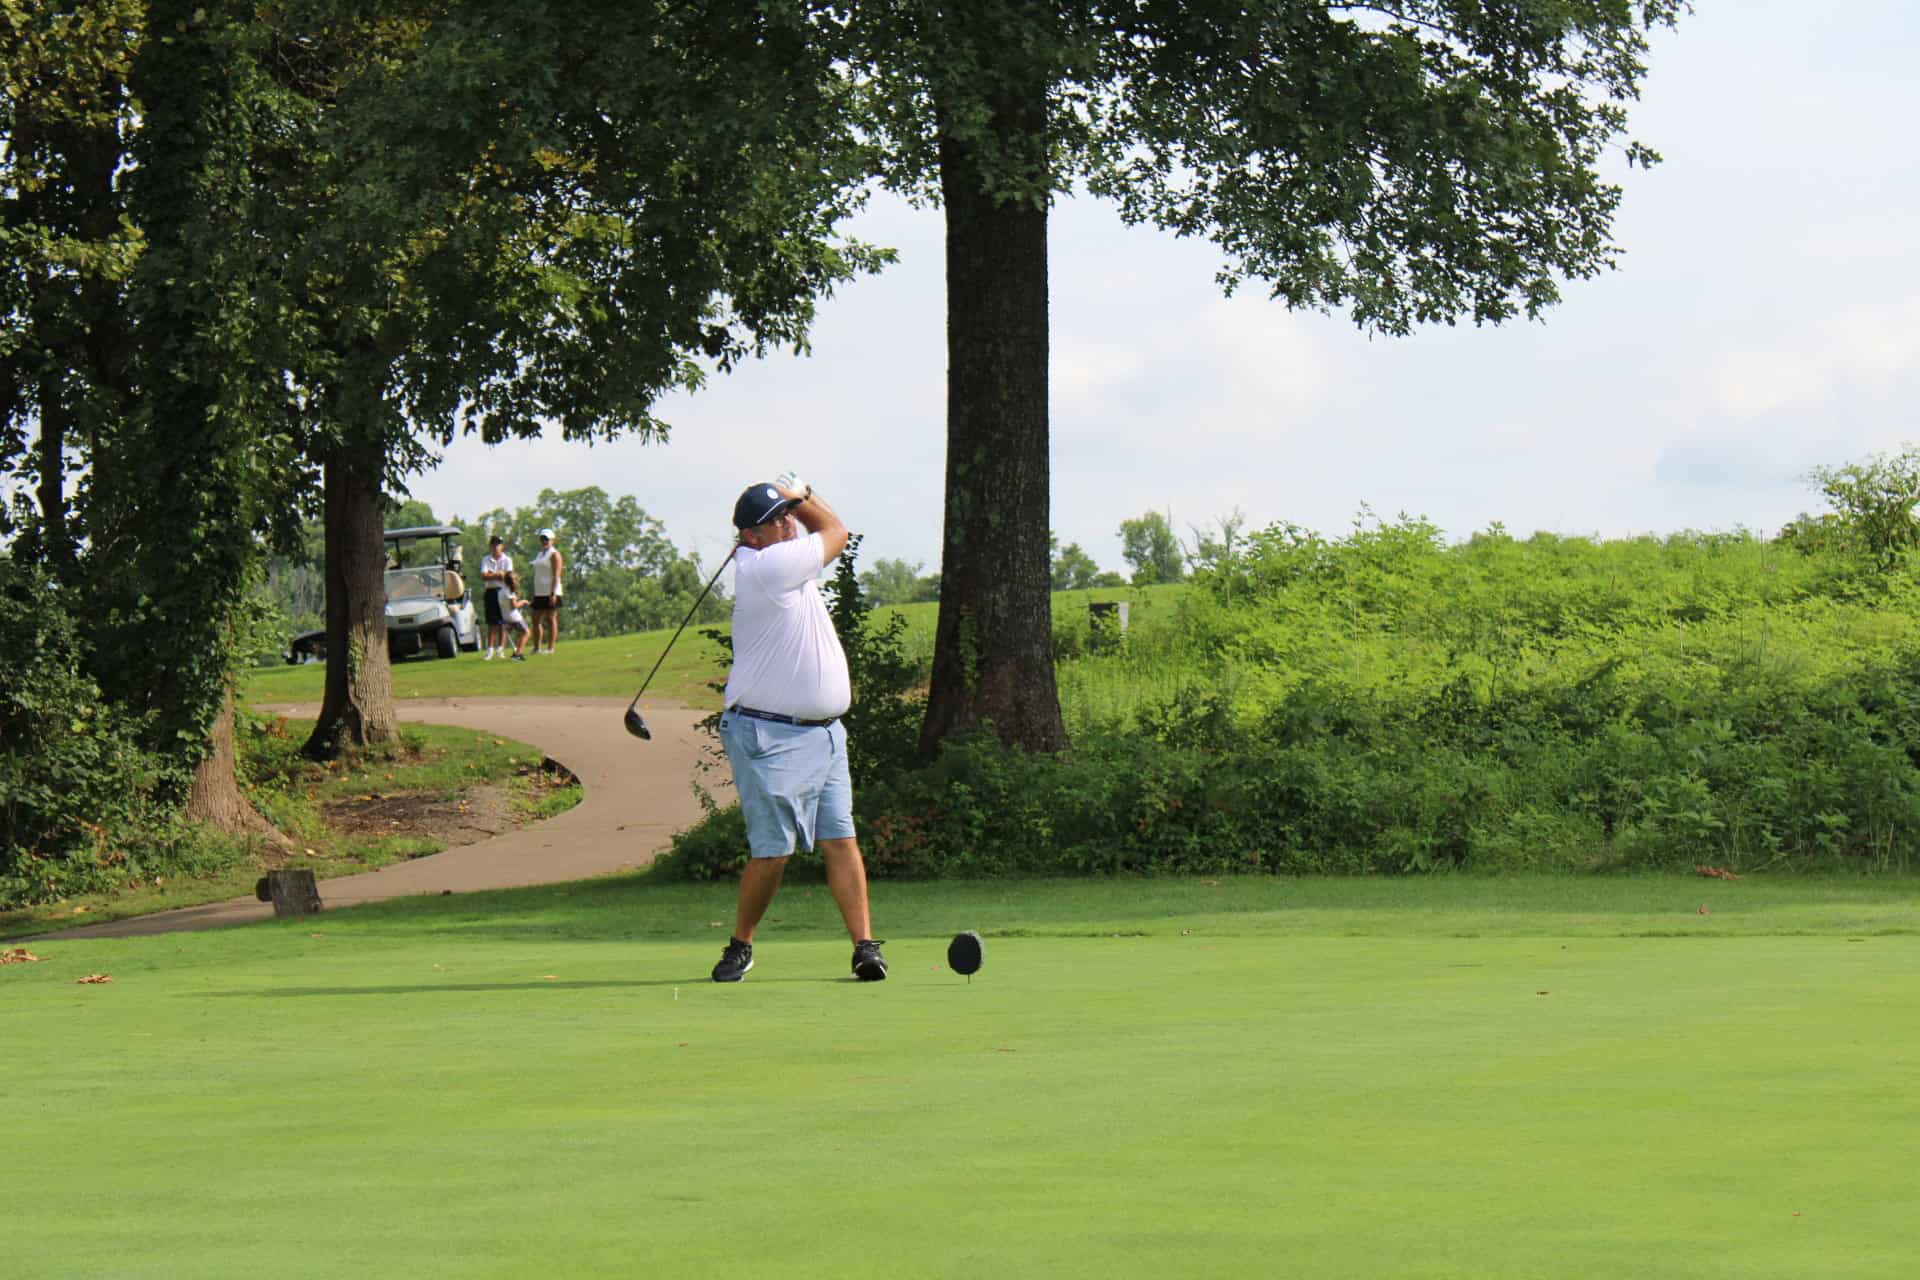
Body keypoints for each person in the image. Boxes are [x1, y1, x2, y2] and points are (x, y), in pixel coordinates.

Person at [710, 473, 884, 983]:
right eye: (775, 520)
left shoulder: (783, 561)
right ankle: (740, 945)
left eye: (787, 516)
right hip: (770, 735)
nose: (787, 524)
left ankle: (865, 947)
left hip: (825, 733)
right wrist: (803, 495)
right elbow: (835, 531)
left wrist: (794, 503)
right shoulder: (768, 567)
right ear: (751, 536)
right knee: (774, 851)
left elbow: (825, 533)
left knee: (841, 838)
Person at [529, 527, 564, 655]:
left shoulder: (554, 554)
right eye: (542, 539)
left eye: (547, 539)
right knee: (535, 618)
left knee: (550, 619)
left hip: (551, 591)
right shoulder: (540, 554)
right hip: (540, 591)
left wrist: (553, 593)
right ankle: (537, 648)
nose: (544, 541)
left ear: (553, 540)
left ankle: (550, 648)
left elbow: (556, 575)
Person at [479, 535, 513, 660]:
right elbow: (483, 576)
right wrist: (498, 575)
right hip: (491, 591)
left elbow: (508, 576)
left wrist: (492, 574)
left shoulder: (507, 560)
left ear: (502, 546)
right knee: (492, 622)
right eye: (493, 544)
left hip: (503, 591)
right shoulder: (486, 559)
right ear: (490, 546)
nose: (495, 547)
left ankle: (500, 649)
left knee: (503, 622)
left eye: (498, 544)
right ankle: (490, 650)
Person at [501, 571, 532, 661]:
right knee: (526, 632)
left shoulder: (501, 591)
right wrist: (523, 602)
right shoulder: (510, 592)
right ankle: (518, 654)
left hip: (506, 616)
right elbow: (514, 605)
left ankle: (515, 653)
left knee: (521, 633)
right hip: (514, 617)